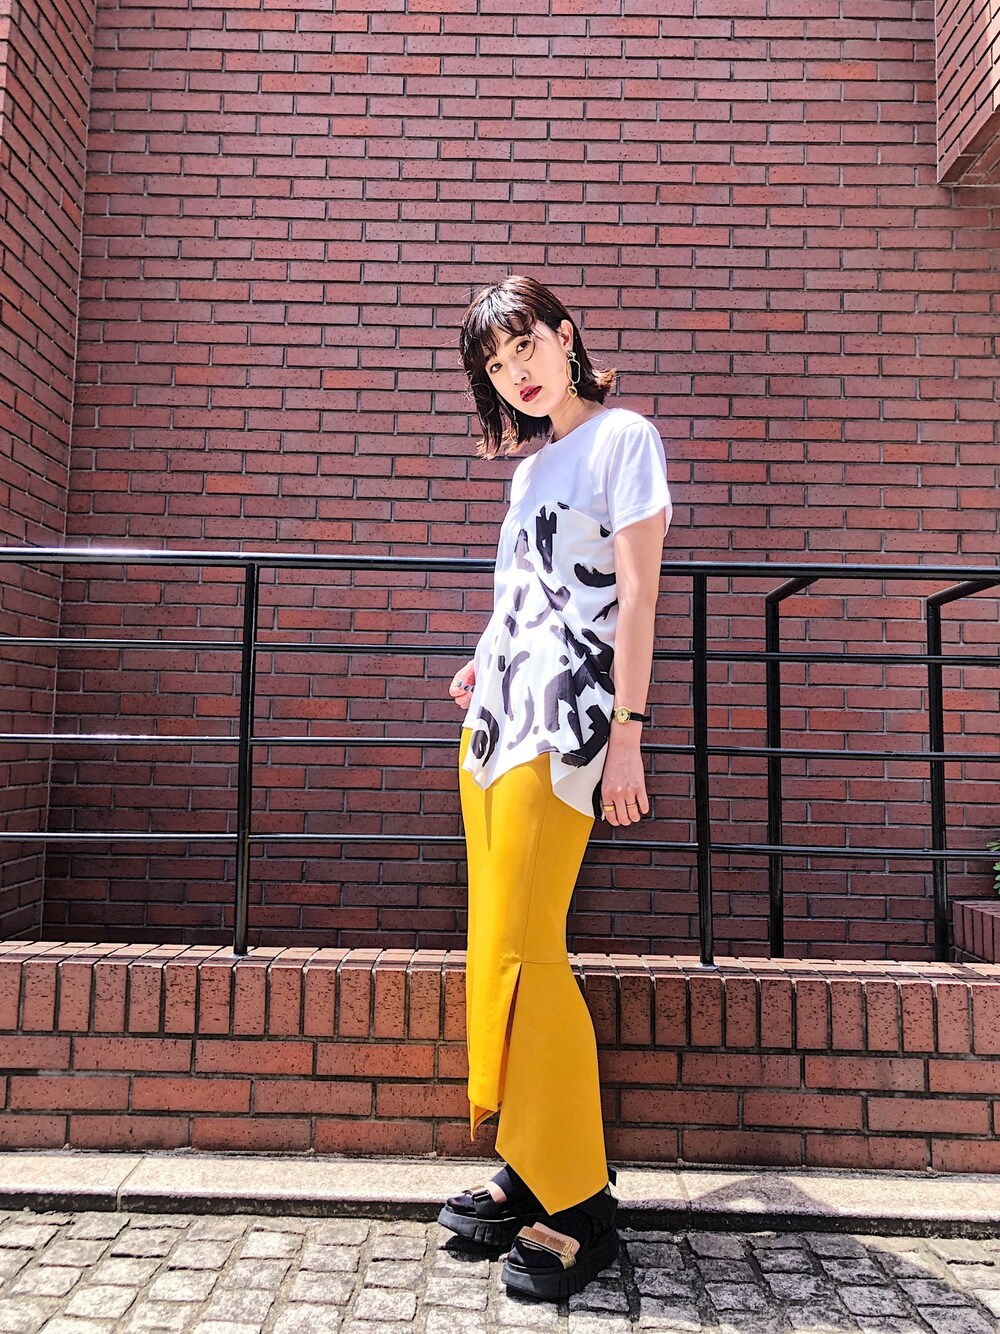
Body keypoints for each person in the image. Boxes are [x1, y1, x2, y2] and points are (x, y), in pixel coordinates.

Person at [436, 275, 673, 1302]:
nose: (516, 372)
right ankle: (531, 1158)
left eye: (525, 345)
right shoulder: (529, 470)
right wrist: (481, 659)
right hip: (496, 722)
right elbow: (525, 595)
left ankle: (579, 1201)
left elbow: (638, 595)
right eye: (496, 365)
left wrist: (629, 736)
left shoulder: (624, 439)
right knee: (500, 943)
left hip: (568, 721)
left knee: (533, 945)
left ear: (567, 336)